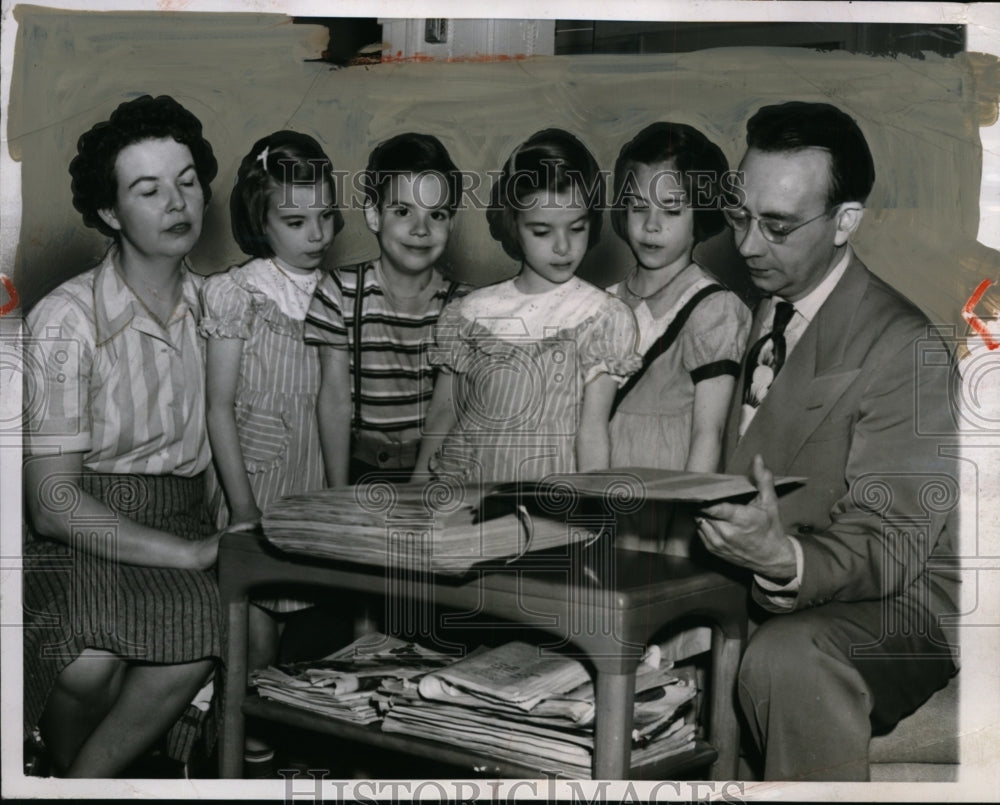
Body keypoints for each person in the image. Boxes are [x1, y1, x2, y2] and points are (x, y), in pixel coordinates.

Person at [695, 101, 960, 781]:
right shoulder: (761, 304)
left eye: (777, 225)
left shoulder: (908, 345)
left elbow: (891, 539)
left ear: (846, 222)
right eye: (739, 217)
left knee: (787, 656)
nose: (750, 244)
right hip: (764, 582)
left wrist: (782, 556)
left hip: (894, 611)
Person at [22, 94, 222, 777]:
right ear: (110, 212)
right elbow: (52, 502)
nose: (177, 202)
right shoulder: (65, 319)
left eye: (187, 180)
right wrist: (187, 554)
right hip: (82, 524)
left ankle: (79, 787)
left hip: (185, 514)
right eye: (149, 188)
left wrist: (218, 539)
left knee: (196, 637)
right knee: (85, 663)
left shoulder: (222, 308)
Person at [199, 130, 344, 770]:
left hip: (309, 477)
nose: (314, 233)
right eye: (294, 220)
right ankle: (228, 756)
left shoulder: (339, 293)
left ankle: (268, 749)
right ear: (261, 218)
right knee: (251, 636)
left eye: (324, 217)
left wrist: (338, 498)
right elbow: (217, 407)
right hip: (251, 475)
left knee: (298, 644)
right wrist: (242, 509)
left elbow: (336, 403)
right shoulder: (239, 292)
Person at [413, 128, 641, 483]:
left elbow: (593, 432)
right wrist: (415, 497)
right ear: (513, 224)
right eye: (541, 231)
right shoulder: (469, 313)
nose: (563, 247)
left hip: (549, 501)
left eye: (577, 228)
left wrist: (597, 519)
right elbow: (442, 416)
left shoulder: (602, 317)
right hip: (463, 492)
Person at [304, 132, 468, 484]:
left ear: (451, 224)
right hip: (359, 469)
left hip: (435, 471)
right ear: (375, 216)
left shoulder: (463, 306)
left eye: (436, 214)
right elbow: (333, 400)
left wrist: (419, 490)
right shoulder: (340, 291)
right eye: (403, 211)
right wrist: (338, 492)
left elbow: (446, 409)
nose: (420, 228)